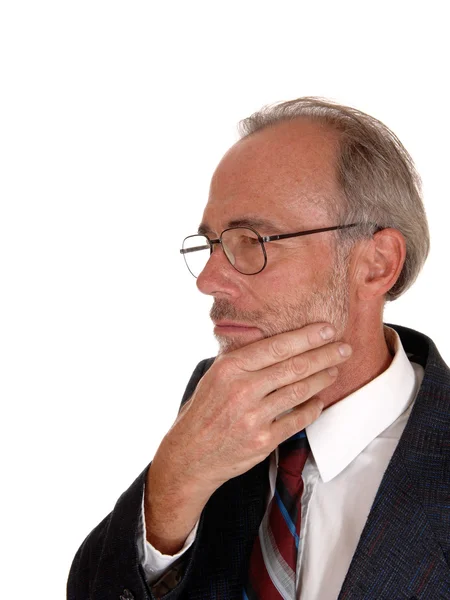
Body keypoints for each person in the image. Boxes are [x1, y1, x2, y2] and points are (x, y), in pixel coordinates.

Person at [67, 97, 450, 600]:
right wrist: (171, 489)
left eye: (253, 241)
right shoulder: (213, 413)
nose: (208, 280)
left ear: (376, 264)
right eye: (210, 244)